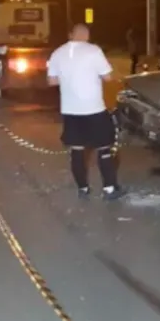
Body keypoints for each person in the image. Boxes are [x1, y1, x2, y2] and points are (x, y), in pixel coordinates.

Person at [48, 24, 126, 200]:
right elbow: (108, 77)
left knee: (77, 150)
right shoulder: (93, 51)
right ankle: (109, 188)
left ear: (71, 35)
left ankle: (82, 188)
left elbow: (52, 81)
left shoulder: (57, 53)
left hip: (70, 110)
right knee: (104, 148)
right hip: (94, 109)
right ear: (87, 36)